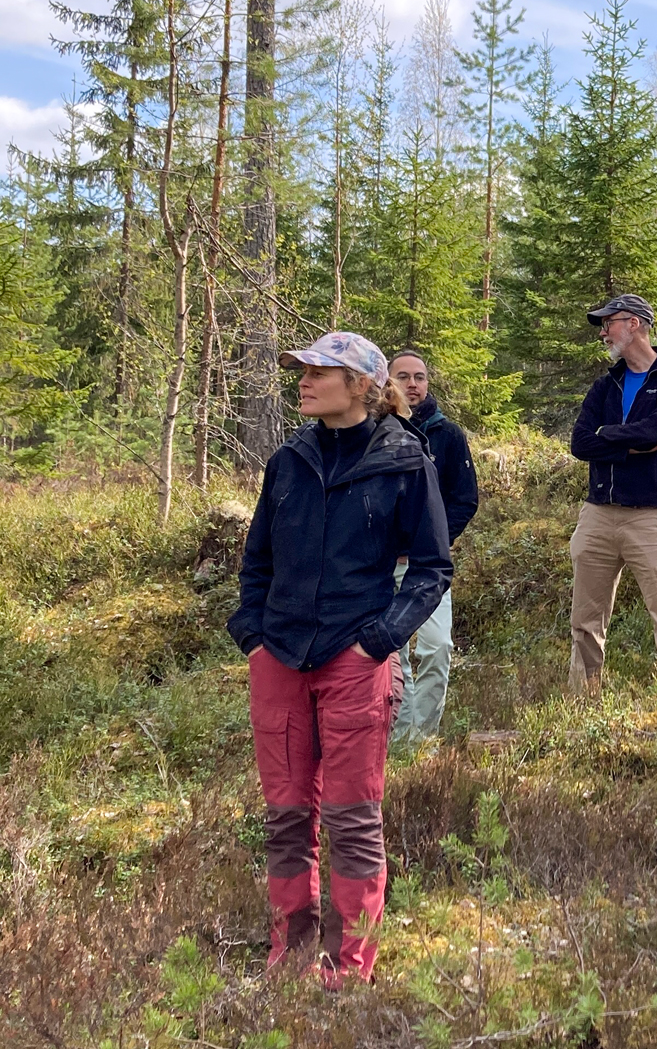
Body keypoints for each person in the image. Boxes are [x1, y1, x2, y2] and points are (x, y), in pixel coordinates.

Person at [228, 332, 452, 986]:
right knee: (286, 817)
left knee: (353, 820)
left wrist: (378, 641)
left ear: (359, 386)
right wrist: (253, 636)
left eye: (318, 371)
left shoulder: (404, 460)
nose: (302, 381)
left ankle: (348, 966)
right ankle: (291, 956)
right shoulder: (288, 460)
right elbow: (257, 561)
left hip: (355, 660)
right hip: (280, 657)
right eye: (300, 370)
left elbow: (432, 569)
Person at [566, 294, 657, 709]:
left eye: (608, 323)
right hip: (597, 514)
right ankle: (582, 712)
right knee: (584, 625)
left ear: (635, 324)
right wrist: (628, 444)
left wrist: (607, 436)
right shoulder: (604, 385)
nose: (603, 333)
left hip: (653, 517)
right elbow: (579, 443)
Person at [385, 349, 479, 747]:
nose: (412, 384)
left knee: (437, 647)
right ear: (387, 382)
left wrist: (436, 540)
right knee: (391, 653)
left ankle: (421, 741)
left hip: (428, 566)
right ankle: (395, 740)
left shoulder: (448, 435)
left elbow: (465, 499)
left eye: (419, 377)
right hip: (379, 565)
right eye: (403, 376)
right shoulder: (372, 430)